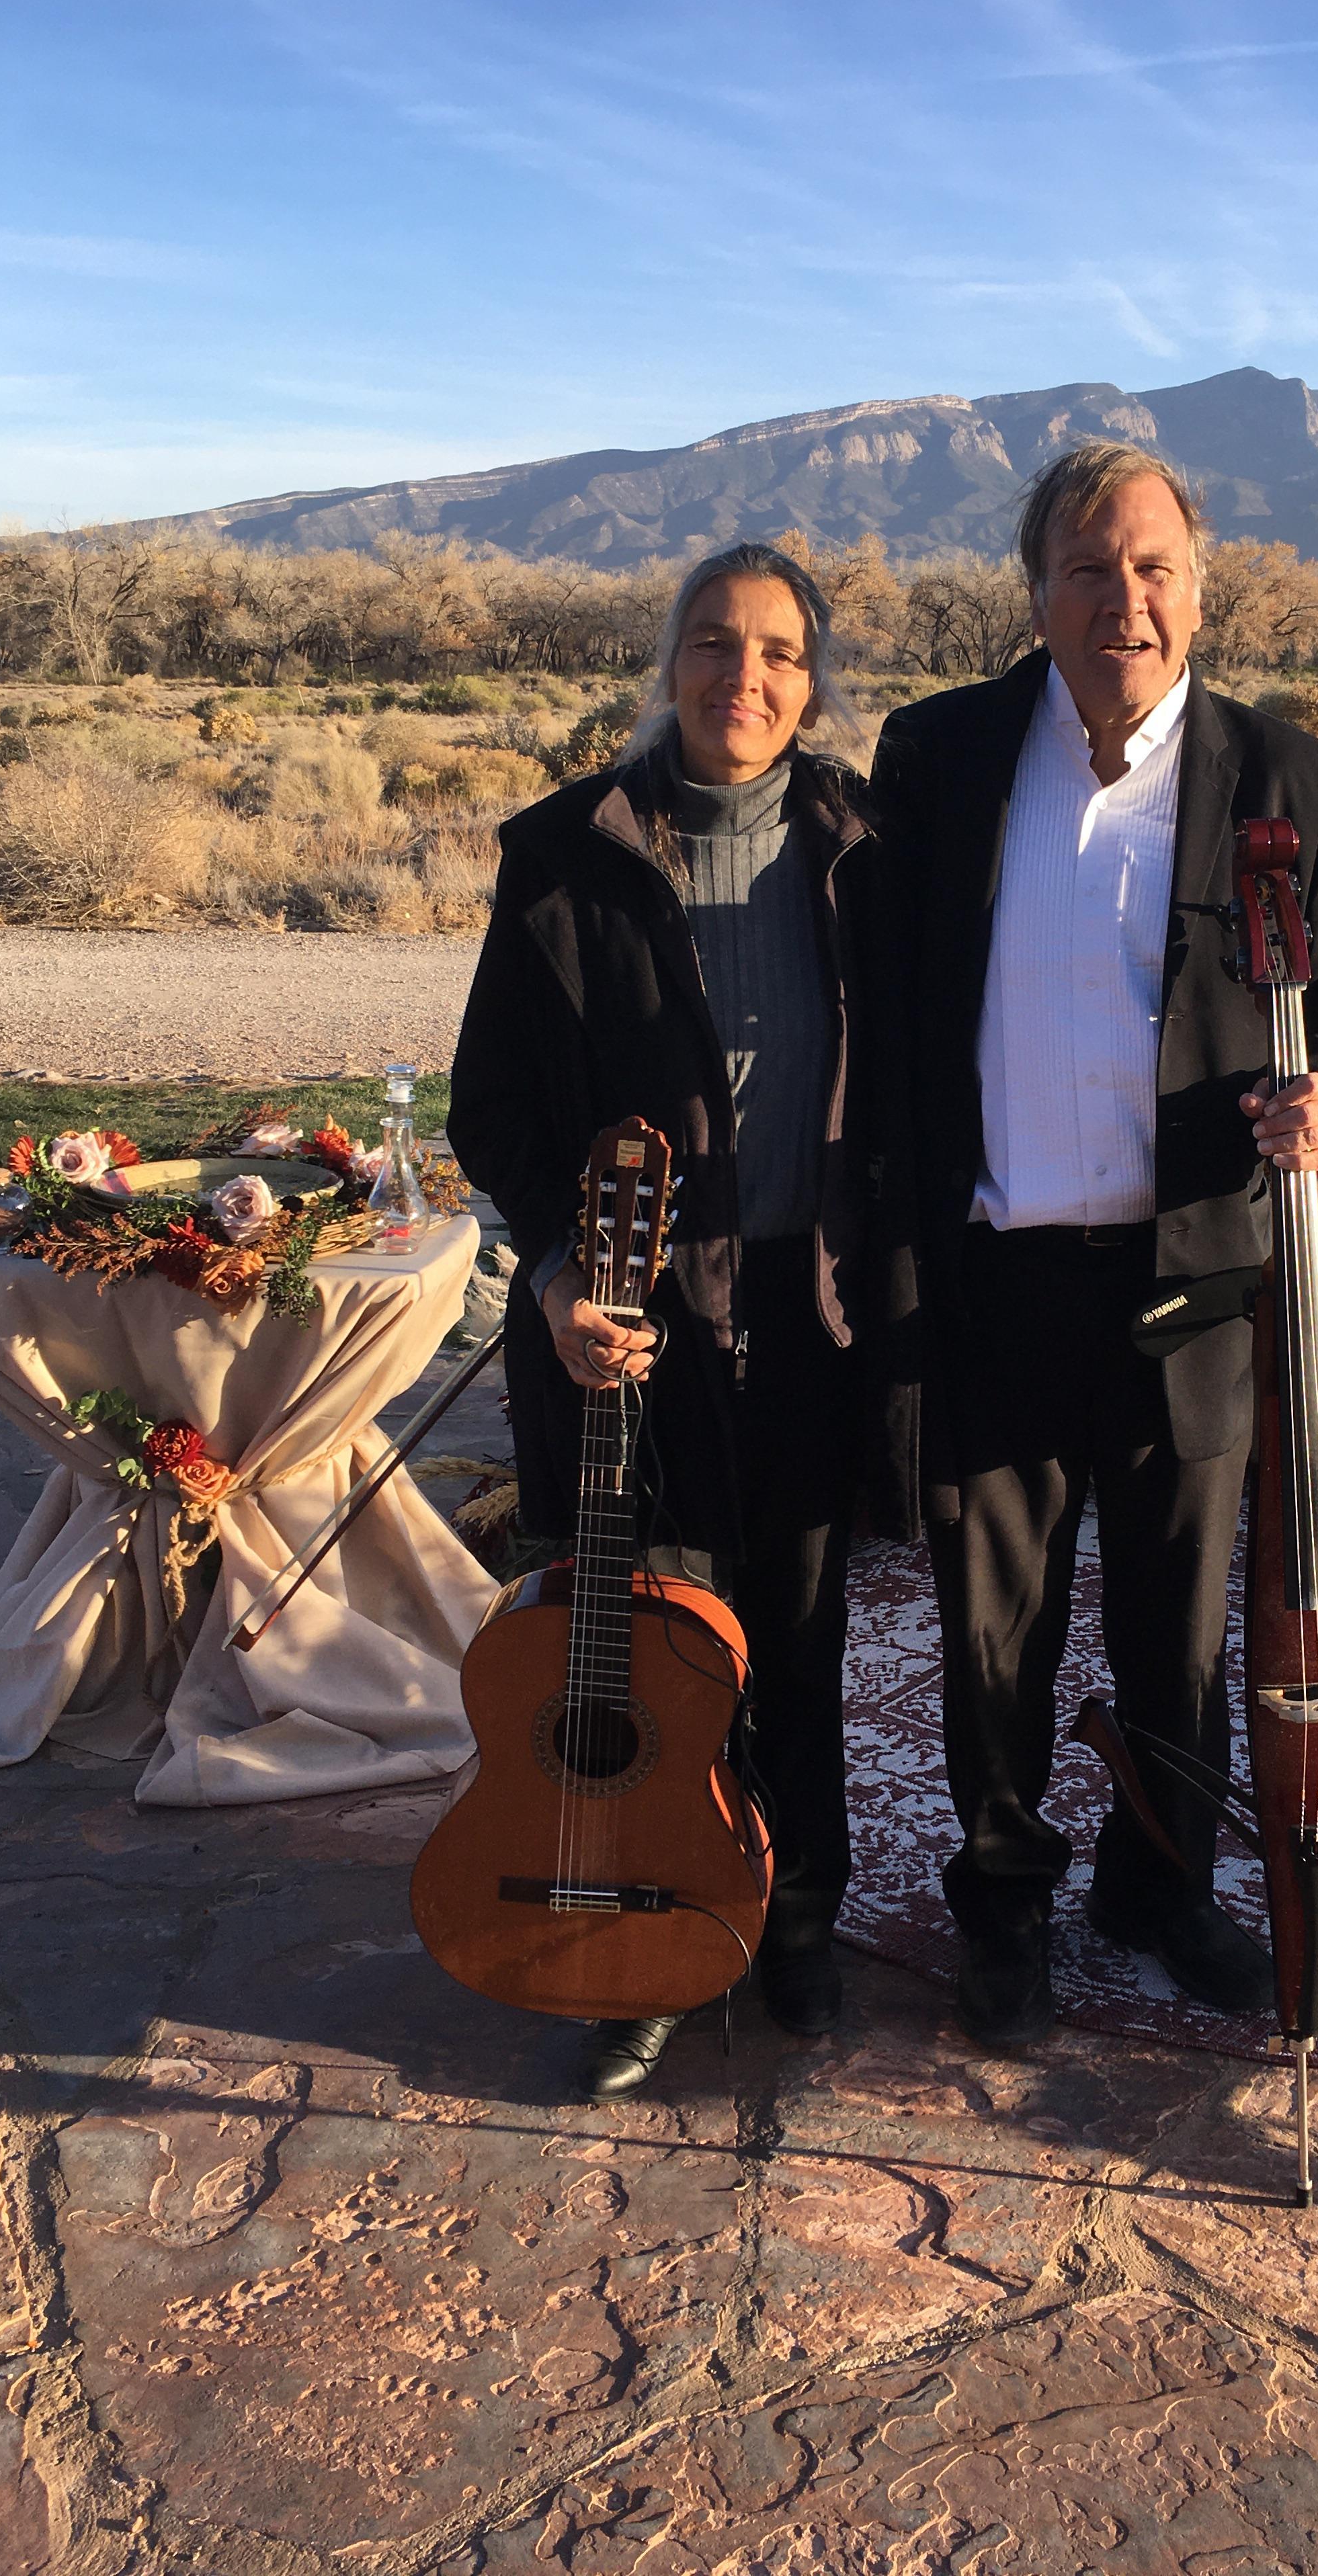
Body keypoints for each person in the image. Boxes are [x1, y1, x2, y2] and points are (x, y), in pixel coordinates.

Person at [873, 439, 1318, 2051]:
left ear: (1202, 589)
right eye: (1089, 569)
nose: (1126, 602)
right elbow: (886, 1012)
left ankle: (1158, 1888)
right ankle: (1006, 1900)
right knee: (994, 1632)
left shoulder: (1292, 784)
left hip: (1196, 1286)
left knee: (1179, 1631)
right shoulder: (939, 756)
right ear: (1036, 591)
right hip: (996, 1271)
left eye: (1154, 567)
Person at [447, 540, 915, 2097]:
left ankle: (797, 1922)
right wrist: (557, 1277)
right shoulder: (564, 854)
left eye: (779, 651)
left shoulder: (865, 846)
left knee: (796, 1627)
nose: (744, 676)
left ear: (814, 680)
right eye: (715, 642)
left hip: (804, 1308)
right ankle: (636, 1942)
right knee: (637, 1642)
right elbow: (491, 1109)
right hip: (628, 1313)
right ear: (670, 660)